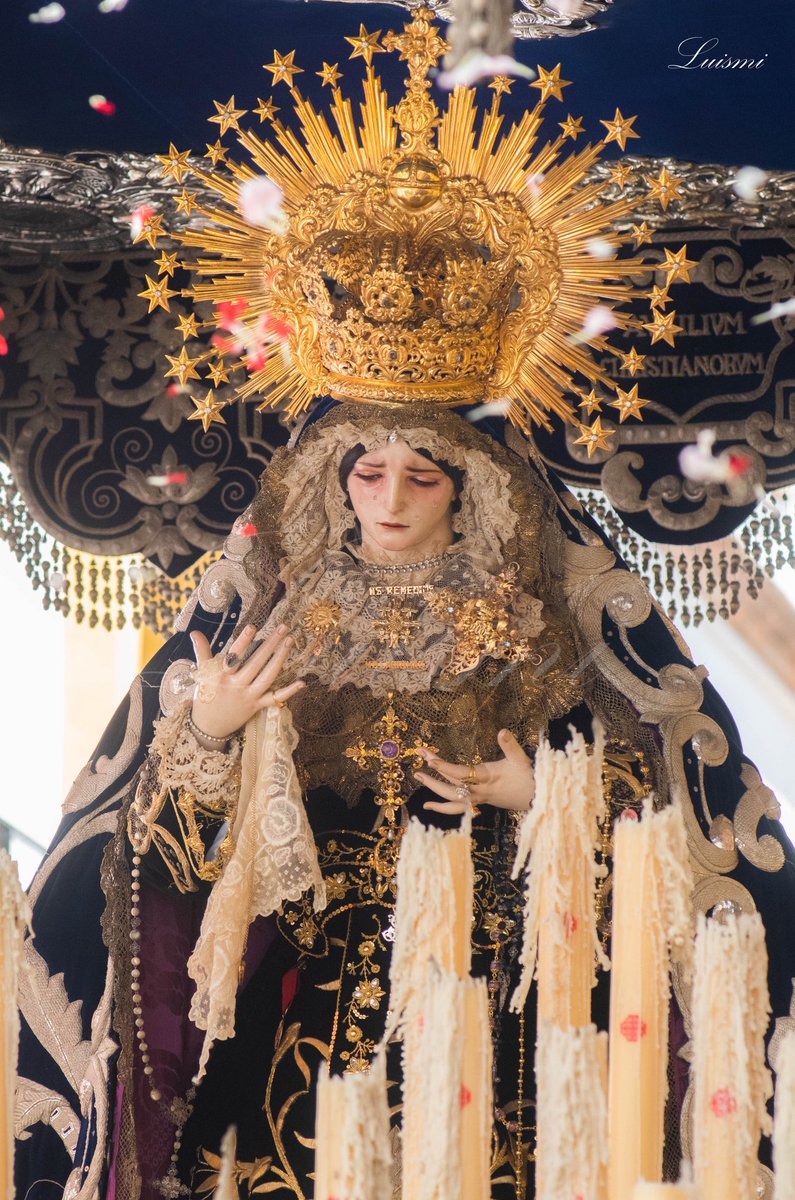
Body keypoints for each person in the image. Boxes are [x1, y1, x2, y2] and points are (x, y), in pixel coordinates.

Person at [15, 398, 795, 1200]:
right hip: (303, 1011)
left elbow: (659, 830)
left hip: (488, 1000)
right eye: (369, 473)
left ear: (467, 488)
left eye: (420, 478)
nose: (390, 501)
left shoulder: (541, 641)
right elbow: (166, 862)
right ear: (334, 480)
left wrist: (548, 801)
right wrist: (209, 734)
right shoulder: (272, 631)